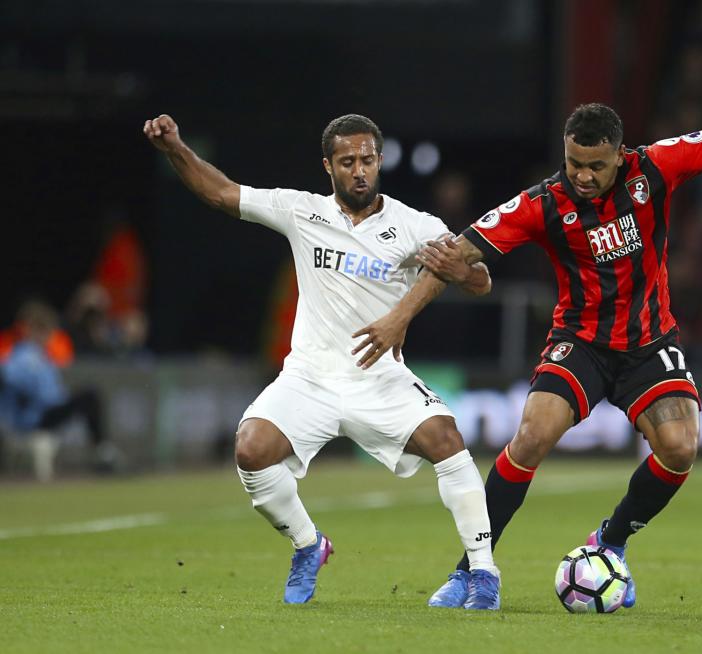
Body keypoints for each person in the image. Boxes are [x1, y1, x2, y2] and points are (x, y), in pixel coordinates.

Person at [352, 76, 702, 608]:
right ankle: (474, 571)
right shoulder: (540, 203)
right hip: (579, 342)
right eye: (573, 163)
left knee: (679, 449)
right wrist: (399, 318)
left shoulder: (656, 166)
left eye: (595, 166)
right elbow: (456, 255)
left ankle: (610, 543)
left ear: (619, 156)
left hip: (649, 344)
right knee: (532, 436)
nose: (582, 176)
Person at [143, 113, 501, 608]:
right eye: (348, 161)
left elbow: (481, 282)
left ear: (379, 161)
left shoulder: (416, 225)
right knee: (251, 449)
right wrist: (175, 149)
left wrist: (458, 269)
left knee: (447, 439)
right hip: (310, 377)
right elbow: (221, 193)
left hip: (379, 378)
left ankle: (483, 573)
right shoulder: (301, 211)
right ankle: (309, 544)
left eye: (368, 160)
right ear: (328, 166)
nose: (360, 171)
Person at [0, 300, 116, 477]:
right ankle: (102, 453)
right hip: (34, 418)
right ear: (32, 330)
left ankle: (103, 452)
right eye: (44, 330)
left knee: (88, 397)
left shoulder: (42, 356)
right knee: (90, 395)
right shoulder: (23, 356)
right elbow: (8, 377)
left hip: (46, 413)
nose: (48, 336)